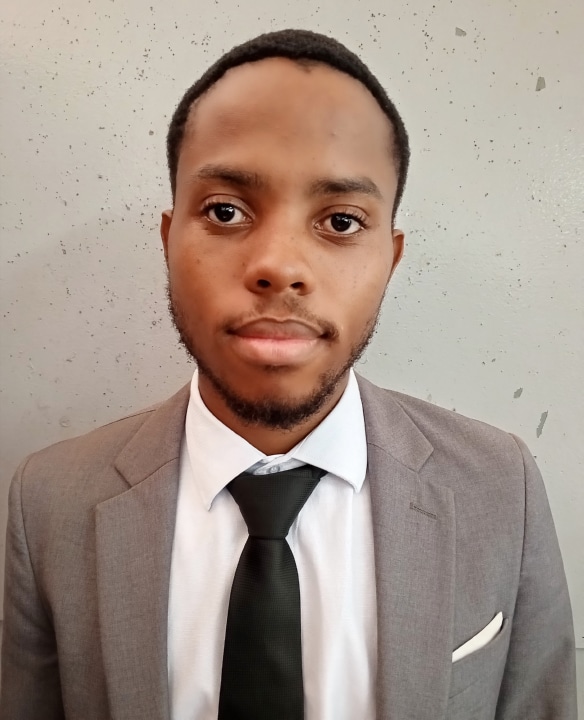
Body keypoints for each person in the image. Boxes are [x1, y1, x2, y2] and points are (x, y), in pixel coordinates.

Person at [0, 28, 576, 720]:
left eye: (341, 221)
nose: (279, 265)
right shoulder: (50, 503)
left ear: (391, 259)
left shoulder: (500, 489)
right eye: (225, 211)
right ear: (168, 238)